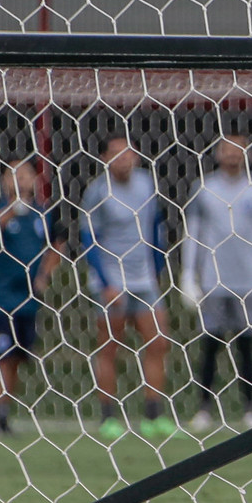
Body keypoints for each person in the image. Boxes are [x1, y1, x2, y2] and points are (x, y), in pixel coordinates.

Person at [181, 134, 252, 433]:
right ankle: (204, 409)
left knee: (247, 346)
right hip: (214, 280)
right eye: (227, 150)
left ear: (247, 155)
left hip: (249, 281)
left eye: (239, 150)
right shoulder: (204, 189)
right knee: (210, 344)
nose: (233, 155)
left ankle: (250, 409)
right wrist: (188, 274)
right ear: (218, 154)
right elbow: (193, 233)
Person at [79, 135, 172, 441]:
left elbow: (155, 227)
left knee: (158, 343)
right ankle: (108, 417)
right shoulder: (97, 191)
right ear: (105, 158)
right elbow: (89, 239)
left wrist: (157, 269)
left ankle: (153, 416)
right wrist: (105, 283)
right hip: (112, 282)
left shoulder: (147, 183)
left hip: (144, 279)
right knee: (109, 348)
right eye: (116, 154)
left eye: (128, 154)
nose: (123, 159)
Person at [0, 156, 64, 437]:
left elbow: (56, 246)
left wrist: (44, 275)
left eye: (24, 174)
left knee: (16, 359)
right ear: (3, 180)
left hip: (28, 300)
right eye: (12, 174)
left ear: (35, 180)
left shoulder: (43, 213)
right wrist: (11, 212)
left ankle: (4, 413)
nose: (19, 179)